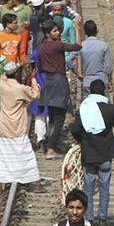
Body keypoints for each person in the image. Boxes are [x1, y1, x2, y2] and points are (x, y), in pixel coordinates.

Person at [69, 79, 114, 225]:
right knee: (105, 187)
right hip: (106, 154)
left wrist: (82, 140)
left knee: (88, 187)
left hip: (89, 154)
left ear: (90, 92)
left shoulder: (83, 109)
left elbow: (75, 129)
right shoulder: (109, 109)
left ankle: (89, 218)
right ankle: (102, 218)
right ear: (104, 92)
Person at [0, 62, 45, 194]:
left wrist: (18, 64)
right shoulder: (21, 89)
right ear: (17, 74)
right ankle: (37, 184)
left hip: (3, 127)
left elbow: (3, 76)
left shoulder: (2, 84)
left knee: (1, 157)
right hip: (18, 128)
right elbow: (35, 95)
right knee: (27, 155)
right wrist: (33, 79)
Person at [38, 20, 82, 159]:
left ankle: (51, 145)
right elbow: (77, 46)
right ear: (48, 34)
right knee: (59, 118)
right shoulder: (57, 45)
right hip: (58, 81)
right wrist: (76, 28)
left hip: (48, 81)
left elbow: (40, 67)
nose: (58, 33)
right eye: (55, 31)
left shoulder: (41, 48)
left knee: (52, 117)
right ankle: (51, 149)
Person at [73, 20, 114, 99]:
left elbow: (69, 60)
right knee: (104, 103)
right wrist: (109, 82)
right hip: (101, 81)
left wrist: (77, 73)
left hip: (87, 81)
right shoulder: (104, 46)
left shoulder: (81, 46)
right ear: (97, 30)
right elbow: (108, 67)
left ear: (84, 32)